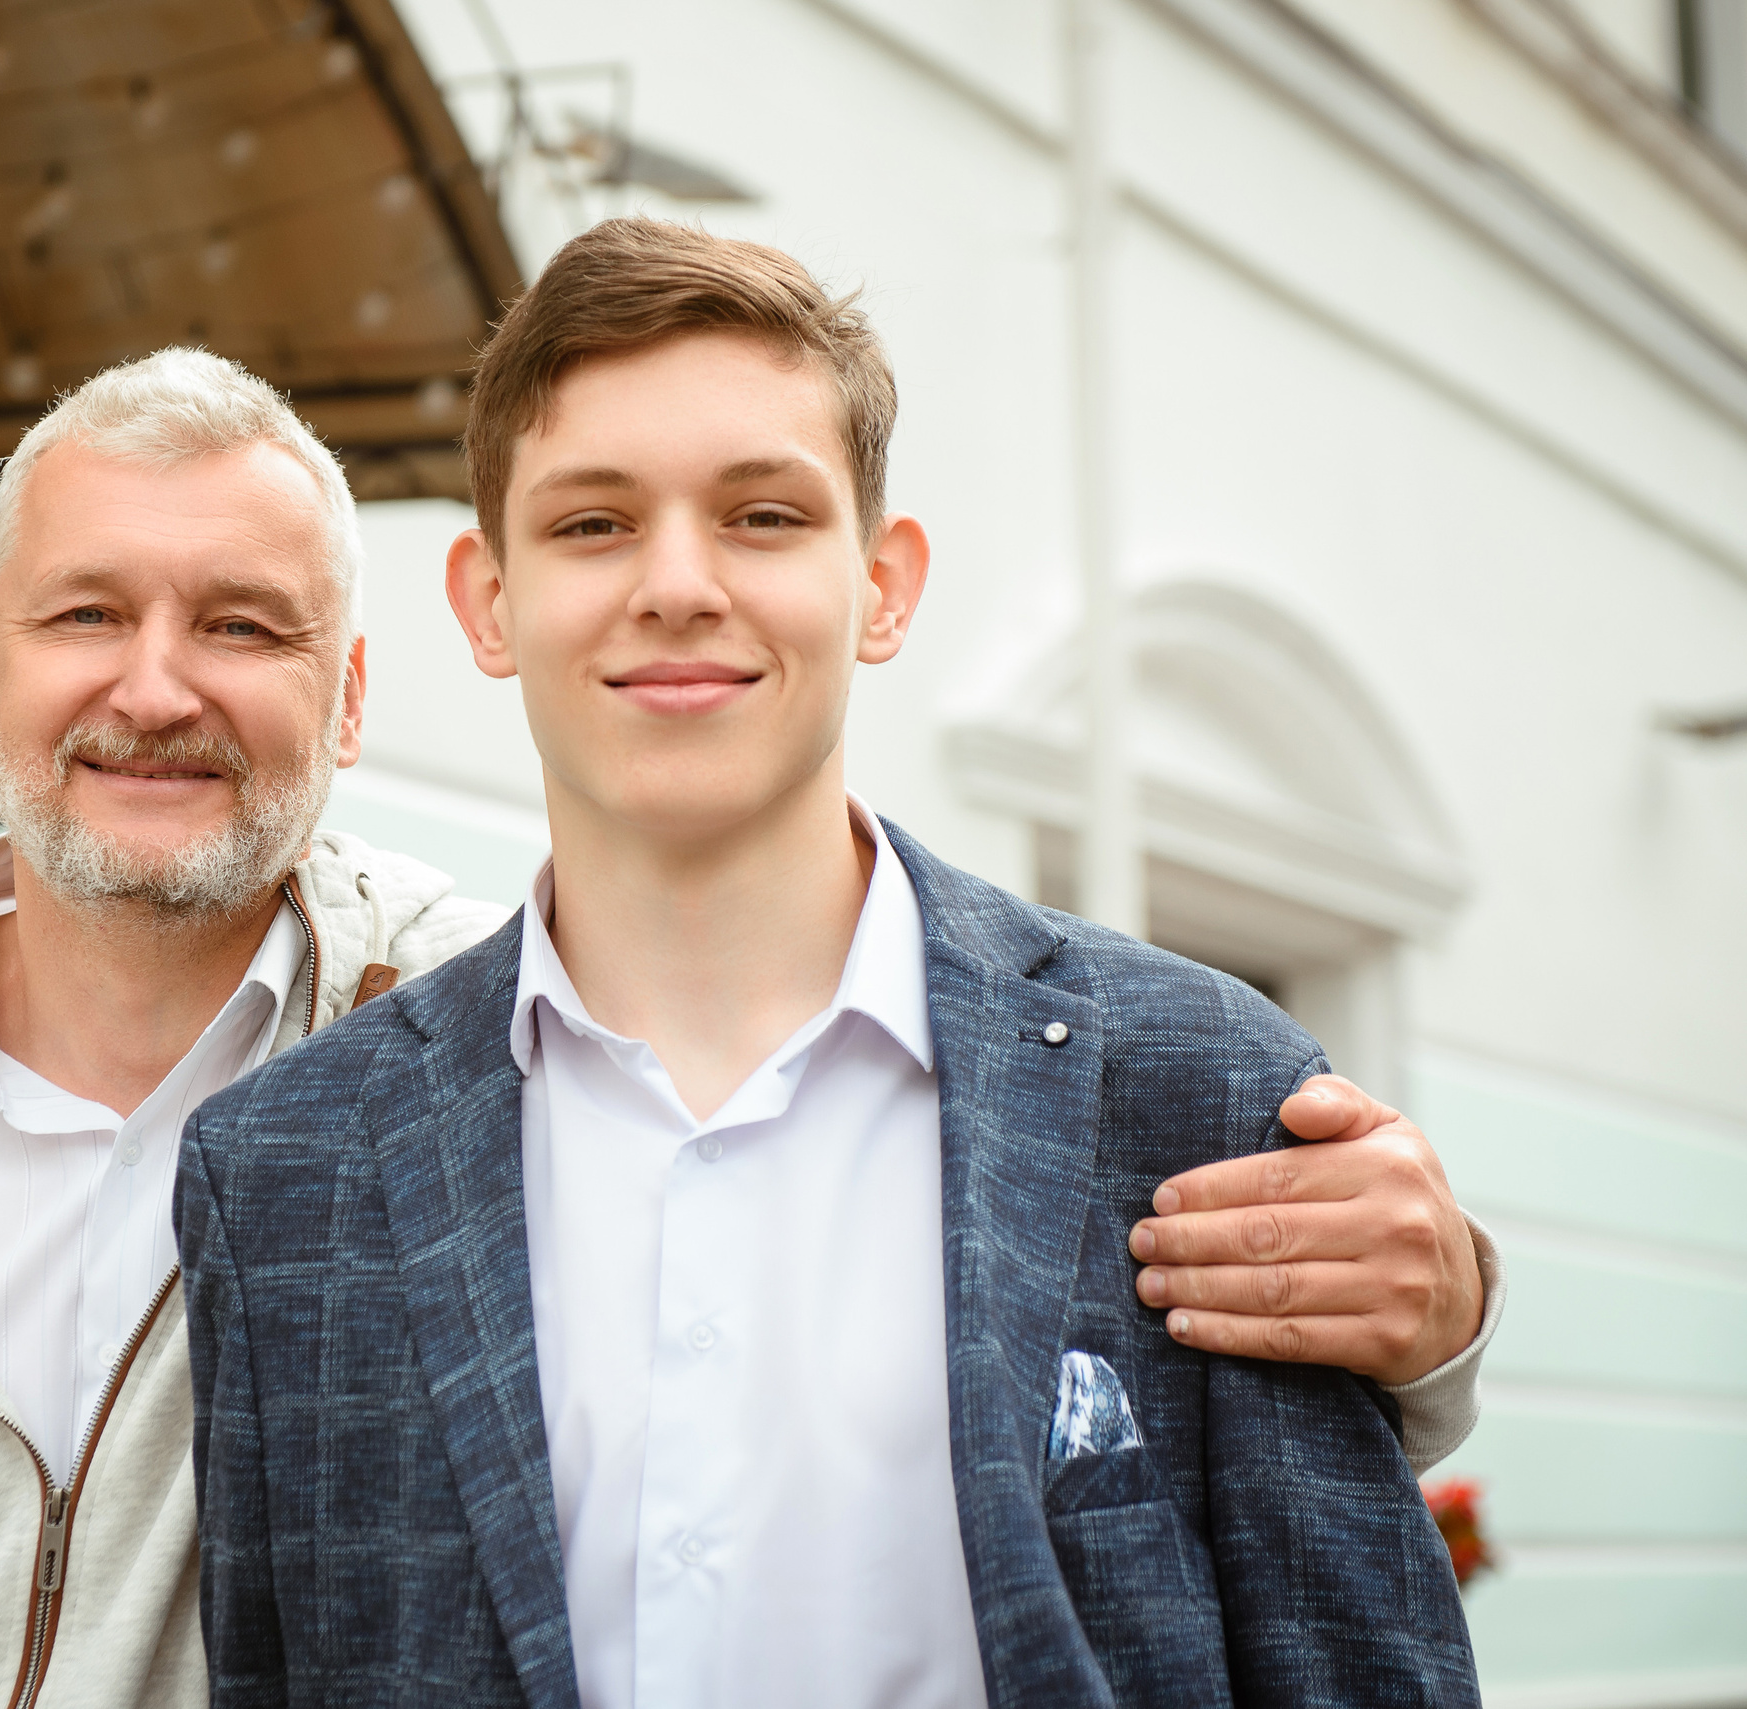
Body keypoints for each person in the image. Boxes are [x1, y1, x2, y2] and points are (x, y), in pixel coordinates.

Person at [0, 341, 1489, 1705]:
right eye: (86, 615)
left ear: (356, 699)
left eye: (249, 627)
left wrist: (1445, 1293)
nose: (157, 688)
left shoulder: (495, 1044)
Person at [177, 220, 1483, 1708]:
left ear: (885, 585)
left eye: (764, 516)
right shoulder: (283, 1170)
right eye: (594, 522)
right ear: (487, 600)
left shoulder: (1206, 1091)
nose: (676, 583)